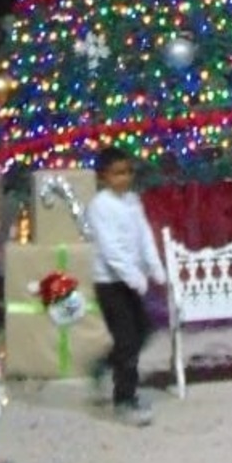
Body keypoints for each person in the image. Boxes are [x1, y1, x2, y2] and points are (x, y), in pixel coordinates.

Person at [85, 147, 166, 425]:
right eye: (117, 173)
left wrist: (154, 267)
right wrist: (133, 277)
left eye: (128, 172)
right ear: (103, 177)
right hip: (110, 284)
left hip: (133, 281)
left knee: (144, 330)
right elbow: (110, 249)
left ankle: (105, 365)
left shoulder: (132, 201)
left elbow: (144, 235)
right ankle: (124, 400)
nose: (124, 178)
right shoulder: (99, 206)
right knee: (127, 340)